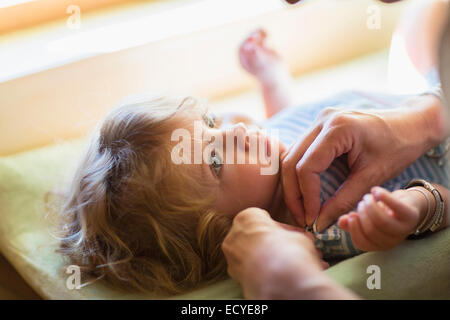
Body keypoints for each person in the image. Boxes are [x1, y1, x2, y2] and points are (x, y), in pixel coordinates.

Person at [222, 0, 450, 299]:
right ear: (219, 225)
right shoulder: (322, 227)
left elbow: (290, 117)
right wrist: (420, 203)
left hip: (421, 96)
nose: (233, 131)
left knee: (419, 20)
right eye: (214, 160)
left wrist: (271, 78)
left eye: (210, 122)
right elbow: (442, 204)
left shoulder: (267, 143)